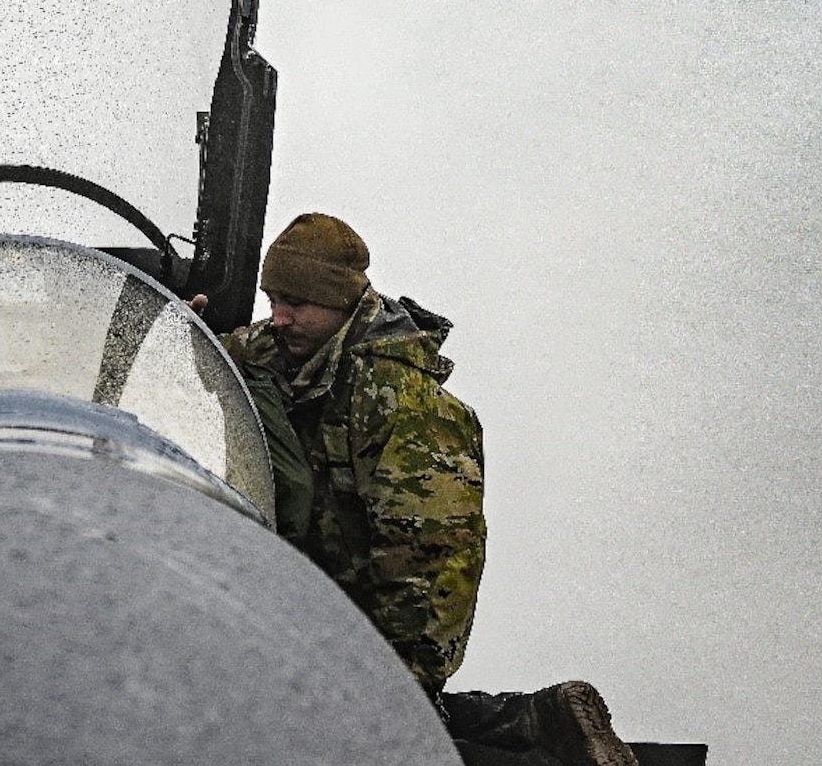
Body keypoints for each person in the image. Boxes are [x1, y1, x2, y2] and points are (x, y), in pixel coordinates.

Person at [216, 213, 639, 766]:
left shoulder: (405, 409)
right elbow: (237, 350)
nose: (280, 317)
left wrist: (400, 681)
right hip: (319, 612)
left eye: (296, 302)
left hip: (378, 620)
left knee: (371, 739)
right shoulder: (290, 351)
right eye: (273, 298)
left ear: (341, 306)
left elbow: (434, 563)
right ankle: (538, 720)